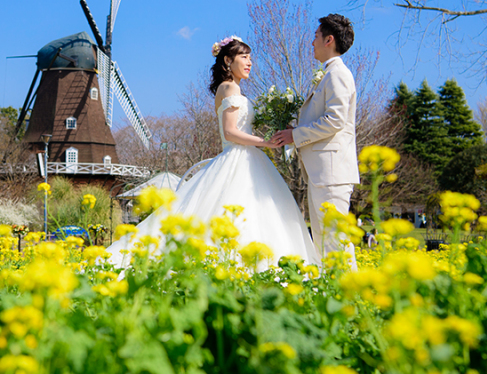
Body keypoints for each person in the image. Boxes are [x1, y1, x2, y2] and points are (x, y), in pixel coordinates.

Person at [106, 36, 320, 269]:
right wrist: (266, 143)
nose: (250, 62)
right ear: (228, 60)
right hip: (238, 157)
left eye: (250, 58)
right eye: (244, 57)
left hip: (249, 158)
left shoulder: (233, 88)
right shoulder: (228, 87)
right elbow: (229, 132)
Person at [272, 14, 359, 269]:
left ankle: (352, 299)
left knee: (335, 241)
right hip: (322, 173)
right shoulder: (330, 75)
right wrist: (295, 129)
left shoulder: (338, 75)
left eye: (315, 36)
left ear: (328, 40)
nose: (312, 43)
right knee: (323, 242)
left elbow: (335, 120)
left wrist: (295, 136)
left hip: (332, 173)